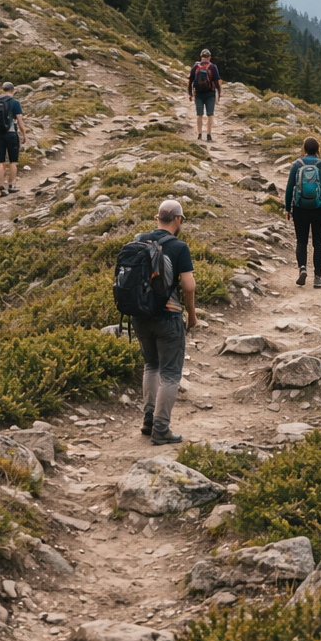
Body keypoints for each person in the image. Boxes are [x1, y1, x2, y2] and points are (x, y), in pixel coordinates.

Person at [130, 199, 197, 445]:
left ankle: (148, 420)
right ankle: (161, 429)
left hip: (139, 315)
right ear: (178, 220)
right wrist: (191, 315)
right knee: (170, 374)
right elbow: (189, 286)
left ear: (156, 218)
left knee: (151, 366)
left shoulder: (138, 240)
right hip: (168, 317)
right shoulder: (179, 247)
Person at [283, 136, 321, 288]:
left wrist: (288, 208)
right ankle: (318, 277)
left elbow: (289, 188)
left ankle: (302, 269)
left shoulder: (296, 165)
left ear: (304, 149)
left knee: (301, 241)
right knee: (318, 243)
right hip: (320, 208)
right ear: (318, 149)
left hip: (300, 208)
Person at [0, 81, 25, 196]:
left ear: (2, 90)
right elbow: (20, 120)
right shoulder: (15, 103)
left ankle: (2, 188)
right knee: (13, 161)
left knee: (0, 162)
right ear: (13, 90)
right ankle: (12, 185)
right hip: (11, 134)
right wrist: (24, 134)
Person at [188, 49, 222, 142]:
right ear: (209, 57)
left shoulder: (195, 66)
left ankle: (199, 134)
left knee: (199, 115)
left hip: (198, 94)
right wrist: (219, 94)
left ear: (201, 56)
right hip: (210, 94)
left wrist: (190, 94)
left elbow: (190, 81)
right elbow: (217, 82)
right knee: (210, 115)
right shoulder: (213, 67)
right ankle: (208, 135)